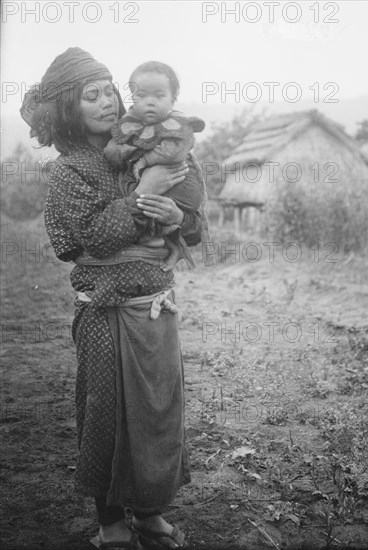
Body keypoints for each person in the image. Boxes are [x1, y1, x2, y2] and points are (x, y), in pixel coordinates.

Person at [21, 47, 199, 549]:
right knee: (108, 413)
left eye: (109, 91)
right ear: (68, 110)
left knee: (156, 412)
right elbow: (80, 241)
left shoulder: (157, 143)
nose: (105, 103)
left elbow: (196, 222)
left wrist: (177, 218)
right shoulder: (71, 170)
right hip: (105, 312)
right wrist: (145, 196)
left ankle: (148, 511)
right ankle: (111, 522)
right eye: (89, 96)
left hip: (157, 305)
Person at [104, 60, 210, 272]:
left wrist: (143, 160)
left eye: (159, 96)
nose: (149, 103)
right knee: (140, 201)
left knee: (161, 209)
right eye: (141, 96)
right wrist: (122, 151)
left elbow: (173, 153)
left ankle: (167, 240)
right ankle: (164, 244)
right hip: (150, 186)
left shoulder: (177, 124)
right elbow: (112, 151)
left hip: (180, 183)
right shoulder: (130, 122)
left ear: (173, 99)